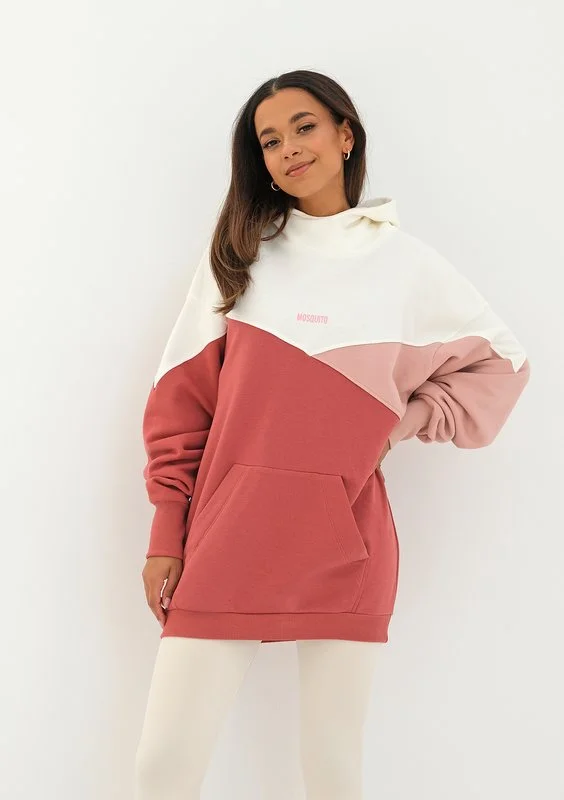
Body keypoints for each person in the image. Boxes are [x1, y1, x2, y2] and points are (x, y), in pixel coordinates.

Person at [134, 69, 530, 799]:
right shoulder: (239, 257)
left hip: (348, 549)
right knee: (163, 770)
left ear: (346, 135)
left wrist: (404, 423)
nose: (288, 148)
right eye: (270, 140)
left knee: (333, 774)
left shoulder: (408, 267)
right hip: (227, 537)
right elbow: (179, 405)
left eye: (304, 126)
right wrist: (167, 530)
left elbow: (504, 363)